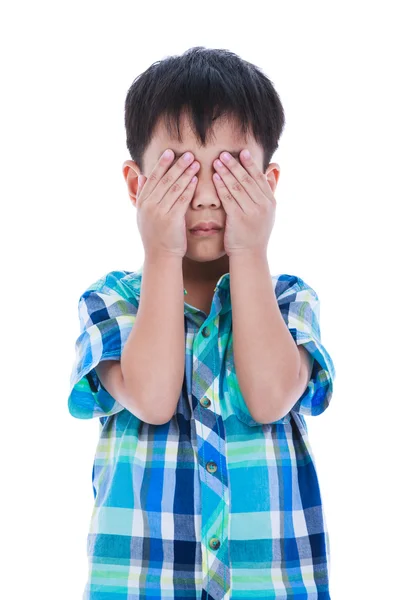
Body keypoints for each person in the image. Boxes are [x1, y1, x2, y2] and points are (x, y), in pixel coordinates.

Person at [68, 46, 336, 600]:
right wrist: (161, 252)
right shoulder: (112, 301)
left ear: (268, 181)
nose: (209, 195)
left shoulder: (290, 301)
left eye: (232, 169)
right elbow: (152, 397)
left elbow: (268, 399)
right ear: (137, 185)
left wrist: (250, 250)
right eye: (181, 170)